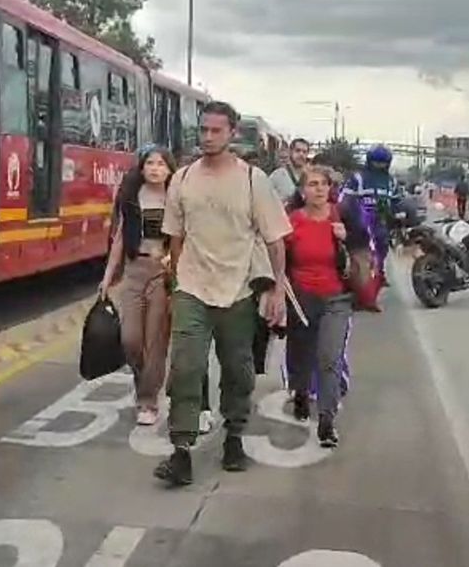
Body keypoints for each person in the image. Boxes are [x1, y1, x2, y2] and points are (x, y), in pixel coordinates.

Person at [155, 101, 291, 487]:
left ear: (232, 133)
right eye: (203, 130)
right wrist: (177, 283)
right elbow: (175, 236)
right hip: (192, 288)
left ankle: (234, 437)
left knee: (238, 370)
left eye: (216, 130)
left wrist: (278, 290)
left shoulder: (252, 180)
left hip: (238, 291)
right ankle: (181, 450)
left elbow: (275, 241)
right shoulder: (182, 179)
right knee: (185, 367)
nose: (208, 137)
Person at [284, 166, 371, 447]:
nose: (319, 189)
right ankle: (300, 392)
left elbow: (364, 246)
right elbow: (278, 255)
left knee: (329, 358)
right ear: (302, 191)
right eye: (312, 184)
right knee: (301, 354)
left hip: (336, 298)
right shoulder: (292, 220)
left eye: (324, 184)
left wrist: (347, 238)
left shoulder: (342, 215)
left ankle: (326, 421)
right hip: (301, 298)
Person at [99, 145, 177, 426]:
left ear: (169, 169)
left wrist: (173, 261)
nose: (155, 169)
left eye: (161, 164)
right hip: (134, 271)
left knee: (155, 341)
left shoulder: (176, 198)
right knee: (130, 339)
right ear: (142, 168)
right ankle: (142, 380)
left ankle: (148, 400)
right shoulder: (131, 197)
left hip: (161, 274)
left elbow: (185, 237)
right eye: (150, 163)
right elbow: (120, 239)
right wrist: (108, 277)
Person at [340, 144, 399, 285]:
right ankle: (355, 279)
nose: (379, 165)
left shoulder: (391, 181)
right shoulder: (358, 178)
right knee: (360, 255)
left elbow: (396, 201)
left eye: (383, 162)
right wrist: (352, 216)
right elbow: (343, 199)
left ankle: (379, 273)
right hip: (359, 222)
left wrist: (397, 214)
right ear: (369, 161)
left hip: (381, 223)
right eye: (376, 162)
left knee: (382, 247)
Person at [269, 138, 311, 205]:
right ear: (290, 152)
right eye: (297, 150)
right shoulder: (277, 175)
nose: (301, 154)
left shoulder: (311, 175)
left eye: (304, 152)